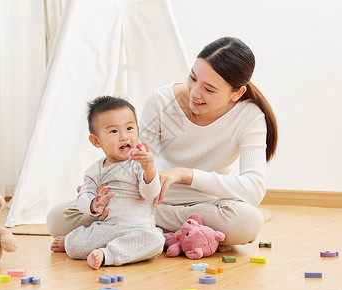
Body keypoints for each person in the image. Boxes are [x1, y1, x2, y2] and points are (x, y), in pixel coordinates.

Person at [47, 36, 278, 248]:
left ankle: (127, 231)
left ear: (236, 93)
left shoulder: (249, 116)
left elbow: (254, 189)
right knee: (57, 219)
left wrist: (184, 174)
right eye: (193, 78)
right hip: (153, 197)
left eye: (208, 89)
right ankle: (183, 233)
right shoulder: (162, 101)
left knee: (248, 222)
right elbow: (134, 162)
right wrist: (101, 191)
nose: (195, 93)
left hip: (207, 201)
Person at [50, 96, 164, 269]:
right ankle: (70, 241)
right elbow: (83, 196)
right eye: (113, 131)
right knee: (75, 246)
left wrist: (149, 169)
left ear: (137, 130)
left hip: (139, 229)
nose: (124, 136)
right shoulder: (94, 172)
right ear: (97, 141)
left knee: (156, 241)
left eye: (129, 128)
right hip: (105, 228)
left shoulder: (139, 163)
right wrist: (93, 204)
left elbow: (150, 194)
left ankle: (106, 255)